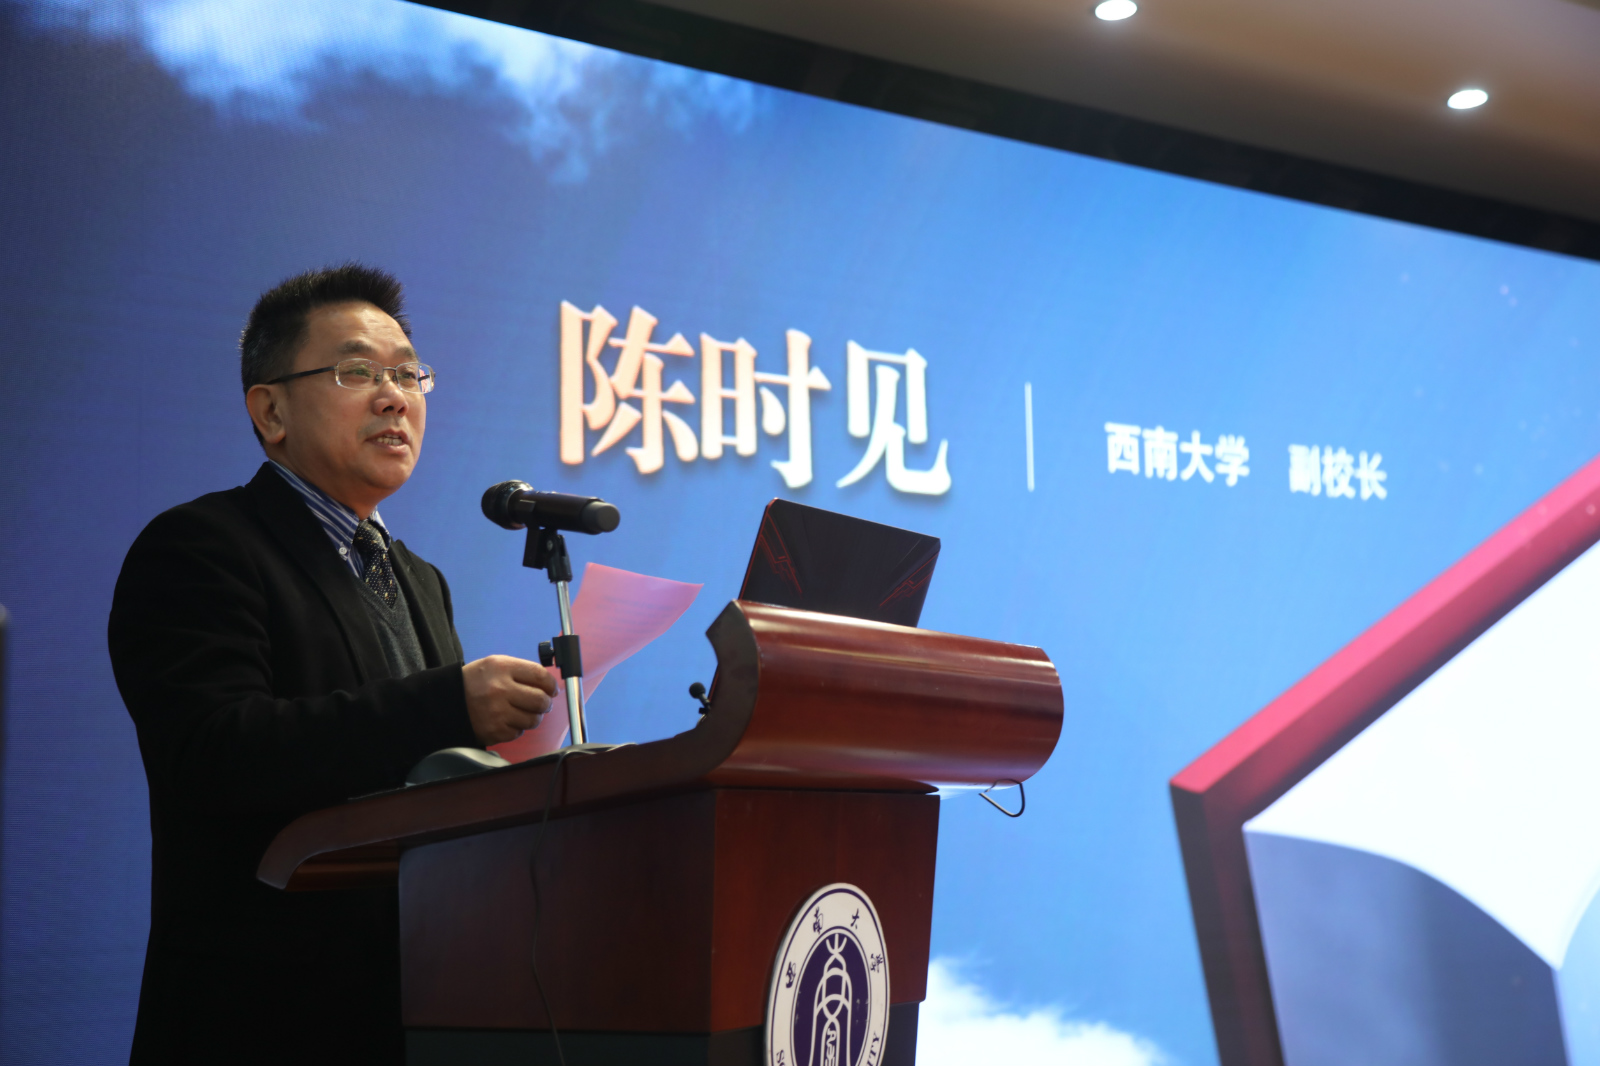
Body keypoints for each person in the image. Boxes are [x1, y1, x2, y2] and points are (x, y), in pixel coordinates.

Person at [108, 264, 558, 1064]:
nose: (395, 399)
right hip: (263, 1017)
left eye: (408, 375)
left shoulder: (420, 578)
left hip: (422, 1004)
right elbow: (214, 752)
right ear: (270, 410)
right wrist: (448, 704)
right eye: (358, 372)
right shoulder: (202, 547)